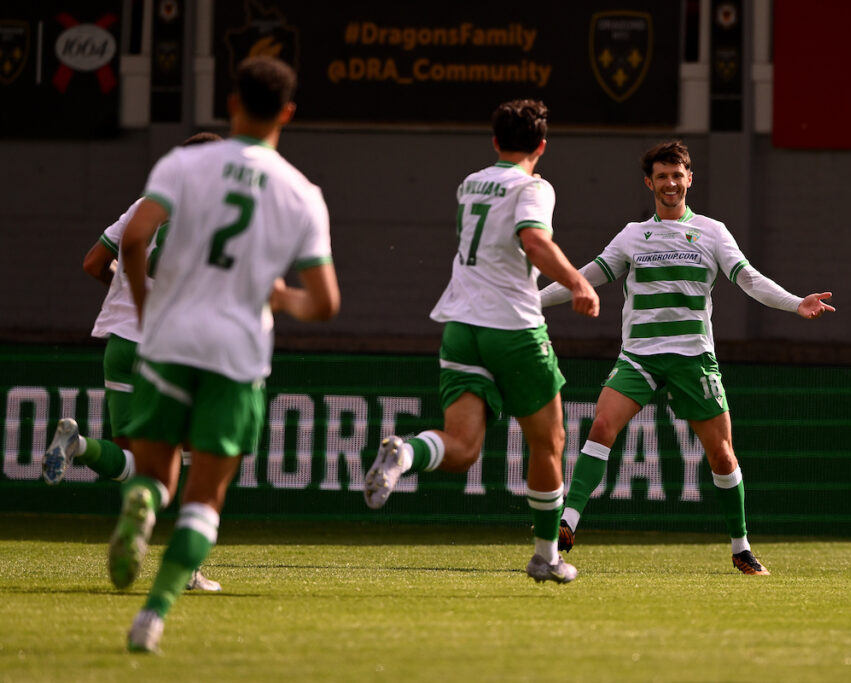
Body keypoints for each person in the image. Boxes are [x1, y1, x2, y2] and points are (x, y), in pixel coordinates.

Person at [111, 56, 339, 653]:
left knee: (157, 474)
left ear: (232, 102)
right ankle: (152, 616)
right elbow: (325, 303)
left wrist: (144, 309)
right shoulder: (301, 193)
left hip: (170, 340)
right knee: (205, 497)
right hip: (237, 354)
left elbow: (134, 239)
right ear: (288, 113)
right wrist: (284, 299)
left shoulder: (183, 164)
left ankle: (141, 500)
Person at [540, 140, 835, 575]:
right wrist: (532, 302)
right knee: (602, 425)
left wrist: (796, 303)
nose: (670, 183)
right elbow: (584, 279)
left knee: (722, 455)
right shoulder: (632, 235)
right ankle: (567, 522)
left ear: (689, 179)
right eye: (662, 176)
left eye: (677, 175)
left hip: (693, 359)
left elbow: (749, 280)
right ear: (649, 183)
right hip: (639, 357)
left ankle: (741, 547)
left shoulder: (713, 232)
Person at [363, 99, 599, 584]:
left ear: (495, 142)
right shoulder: (533, 186)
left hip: (459, 325)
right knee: (548, 441)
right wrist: (577, 282)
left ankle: (404, 454)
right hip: (511, 327)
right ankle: (546, 555)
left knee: (463, 446)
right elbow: (533, 240)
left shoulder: (471, 183)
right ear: (541, 146)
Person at [42, 131, 224, 593]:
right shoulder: (211, 216)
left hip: (120, 344)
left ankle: (79, 446)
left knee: (135, 464)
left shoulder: (145, 205)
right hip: (166, 349)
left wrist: (127, 296)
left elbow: (92, 262)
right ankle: (188, 568)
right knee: (188, 458)